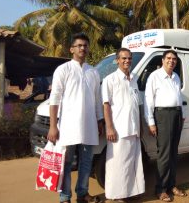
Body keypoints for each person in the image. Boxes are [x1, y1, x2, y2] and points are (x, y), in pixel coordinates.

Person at [47, 33, 103, 203]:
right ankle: (65, 197)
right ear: (71, 49)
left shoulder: (93, 71)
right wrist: (53, 126)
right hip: (68, 127)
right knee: (66, 162)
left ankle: (82, 193)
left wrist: (100, 120)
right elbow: (54, 99)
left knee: (86, 162)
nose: (82, 48)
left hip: (89, 126)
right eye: (79, 45)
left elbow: (97, 100)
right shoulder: (63, 70)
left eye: (85, 45)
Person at [102, 48, 145, 202]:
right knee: (118, 164)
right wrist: (109, 127)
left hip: (134, 129)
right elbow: (106, 105)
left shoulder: (134, 78)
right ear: (117, 60)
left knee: (133, 163)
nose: (127, 61)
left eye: (129, 58)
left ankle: (131, 192)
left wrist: (140, 126)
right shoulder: (110, 80)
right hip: (119, 129)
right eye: (124, 58)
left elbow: (137, 104)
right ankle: (117, 195)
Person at [144, 50, 187, 202]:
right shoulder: (154, 76)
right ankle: (160, 189)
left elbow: (179, 97)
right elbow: (149, 100)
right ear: (162, 60)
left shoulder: (176, 77)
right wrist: (151, 122)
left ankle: (171, 185)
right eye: (168, 58)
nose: (171, 61)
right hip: (162, 116)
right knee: (164, 154)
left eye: (174, 59)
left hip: (176, 115)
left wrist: (182, 114)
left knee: (174, 153)